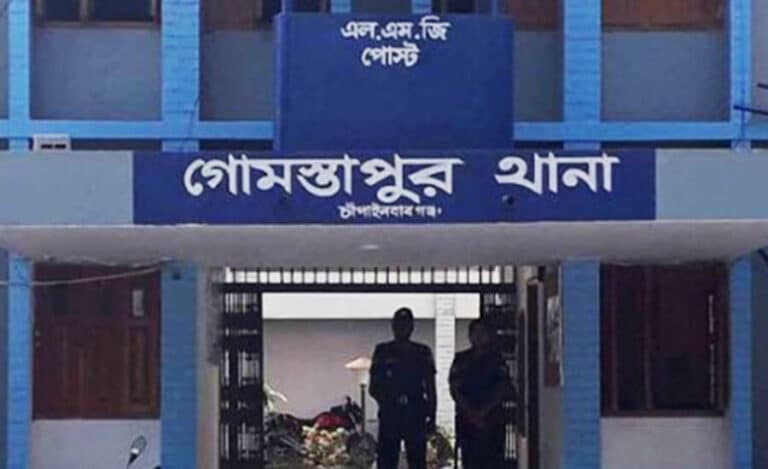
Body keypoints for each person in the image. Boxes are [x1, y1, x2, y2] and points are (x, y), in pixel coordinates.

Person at [369, 307, 437, 469]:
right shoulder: (383, 351)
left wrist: (432, 416)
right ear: (393, 326)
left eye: (406, 324)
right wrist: (388, 402)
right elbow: (374, 386)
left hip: (415, 412)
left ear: (412, 327)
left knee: (417, 461)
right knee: (386, 461)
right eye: (399, 324)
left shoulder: (422, 352)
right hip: (390, 413)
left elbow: (430, 387)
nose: (402, 328)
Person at [449, 318, 512, 469]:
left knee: (493, 463)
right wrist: (471, 413)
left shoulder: (497, 360)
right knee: (470, 462)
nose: (478, 336)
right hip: (467, 421)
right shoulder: (460, 360)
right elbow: (455, 389)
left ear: (488, 335)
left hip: (492, 421)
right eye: (475, 332)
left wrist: (483, 412)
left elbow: (501, 388)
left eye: (482, 332)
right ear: (469, 336)